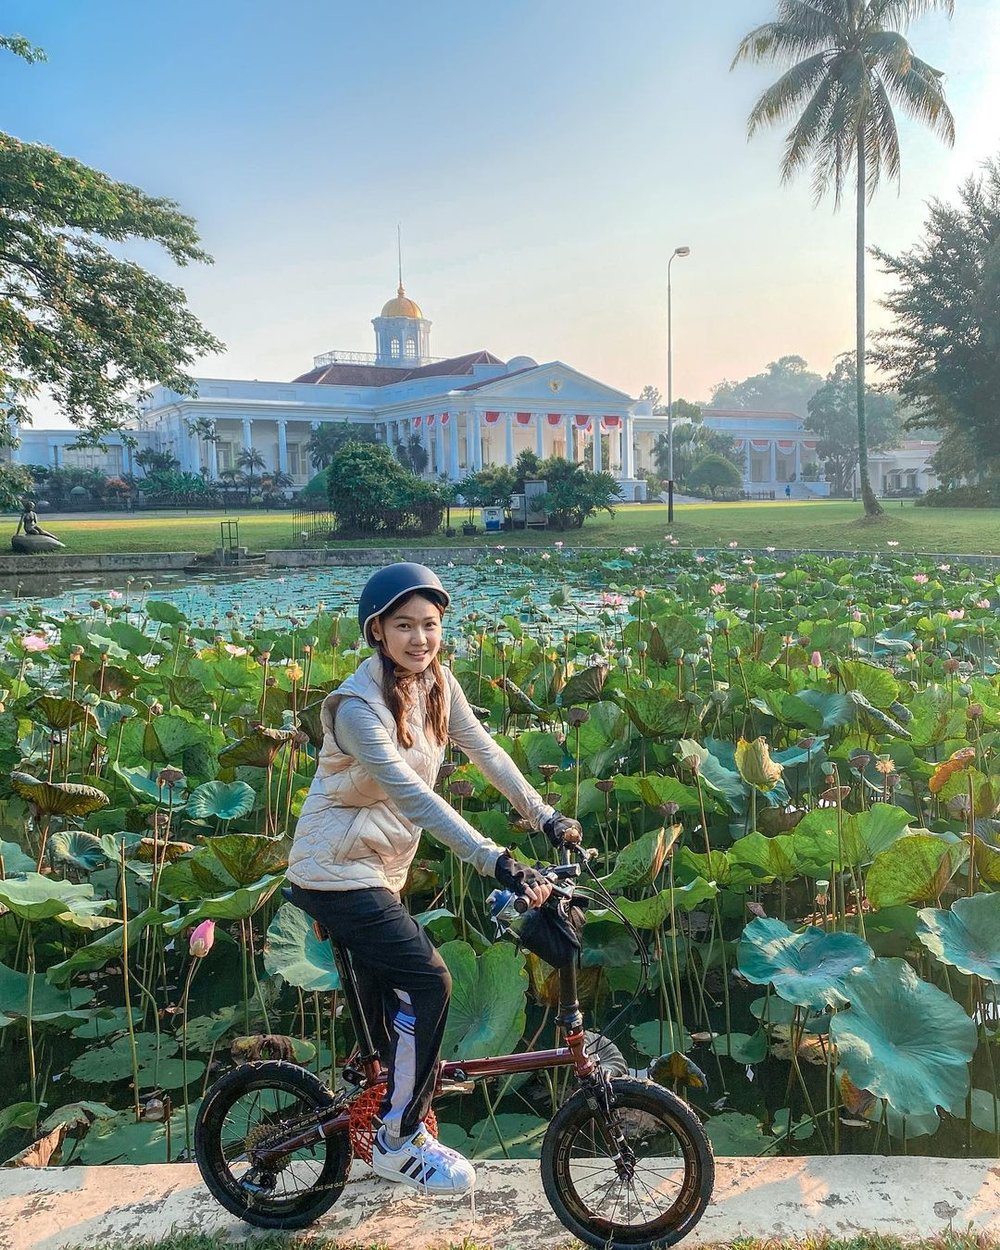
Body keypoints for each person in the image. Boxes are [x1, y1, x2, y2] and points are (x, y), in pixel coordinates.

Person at [286, 563, 580, 1197]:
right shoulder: (357, 709)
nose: (420, 638)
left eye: (430, 625)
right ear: (376, 631)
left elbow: (486, 751)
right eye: (404, 626)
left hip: (376, 870)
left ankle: (380, 1106)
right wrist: (494, 856)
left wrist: (546, 816)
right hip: (332, 871)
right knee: (430, 979)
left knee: (395, 1007)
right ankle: (399, 1135)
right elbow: (413, 796)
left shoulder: (436, 683)